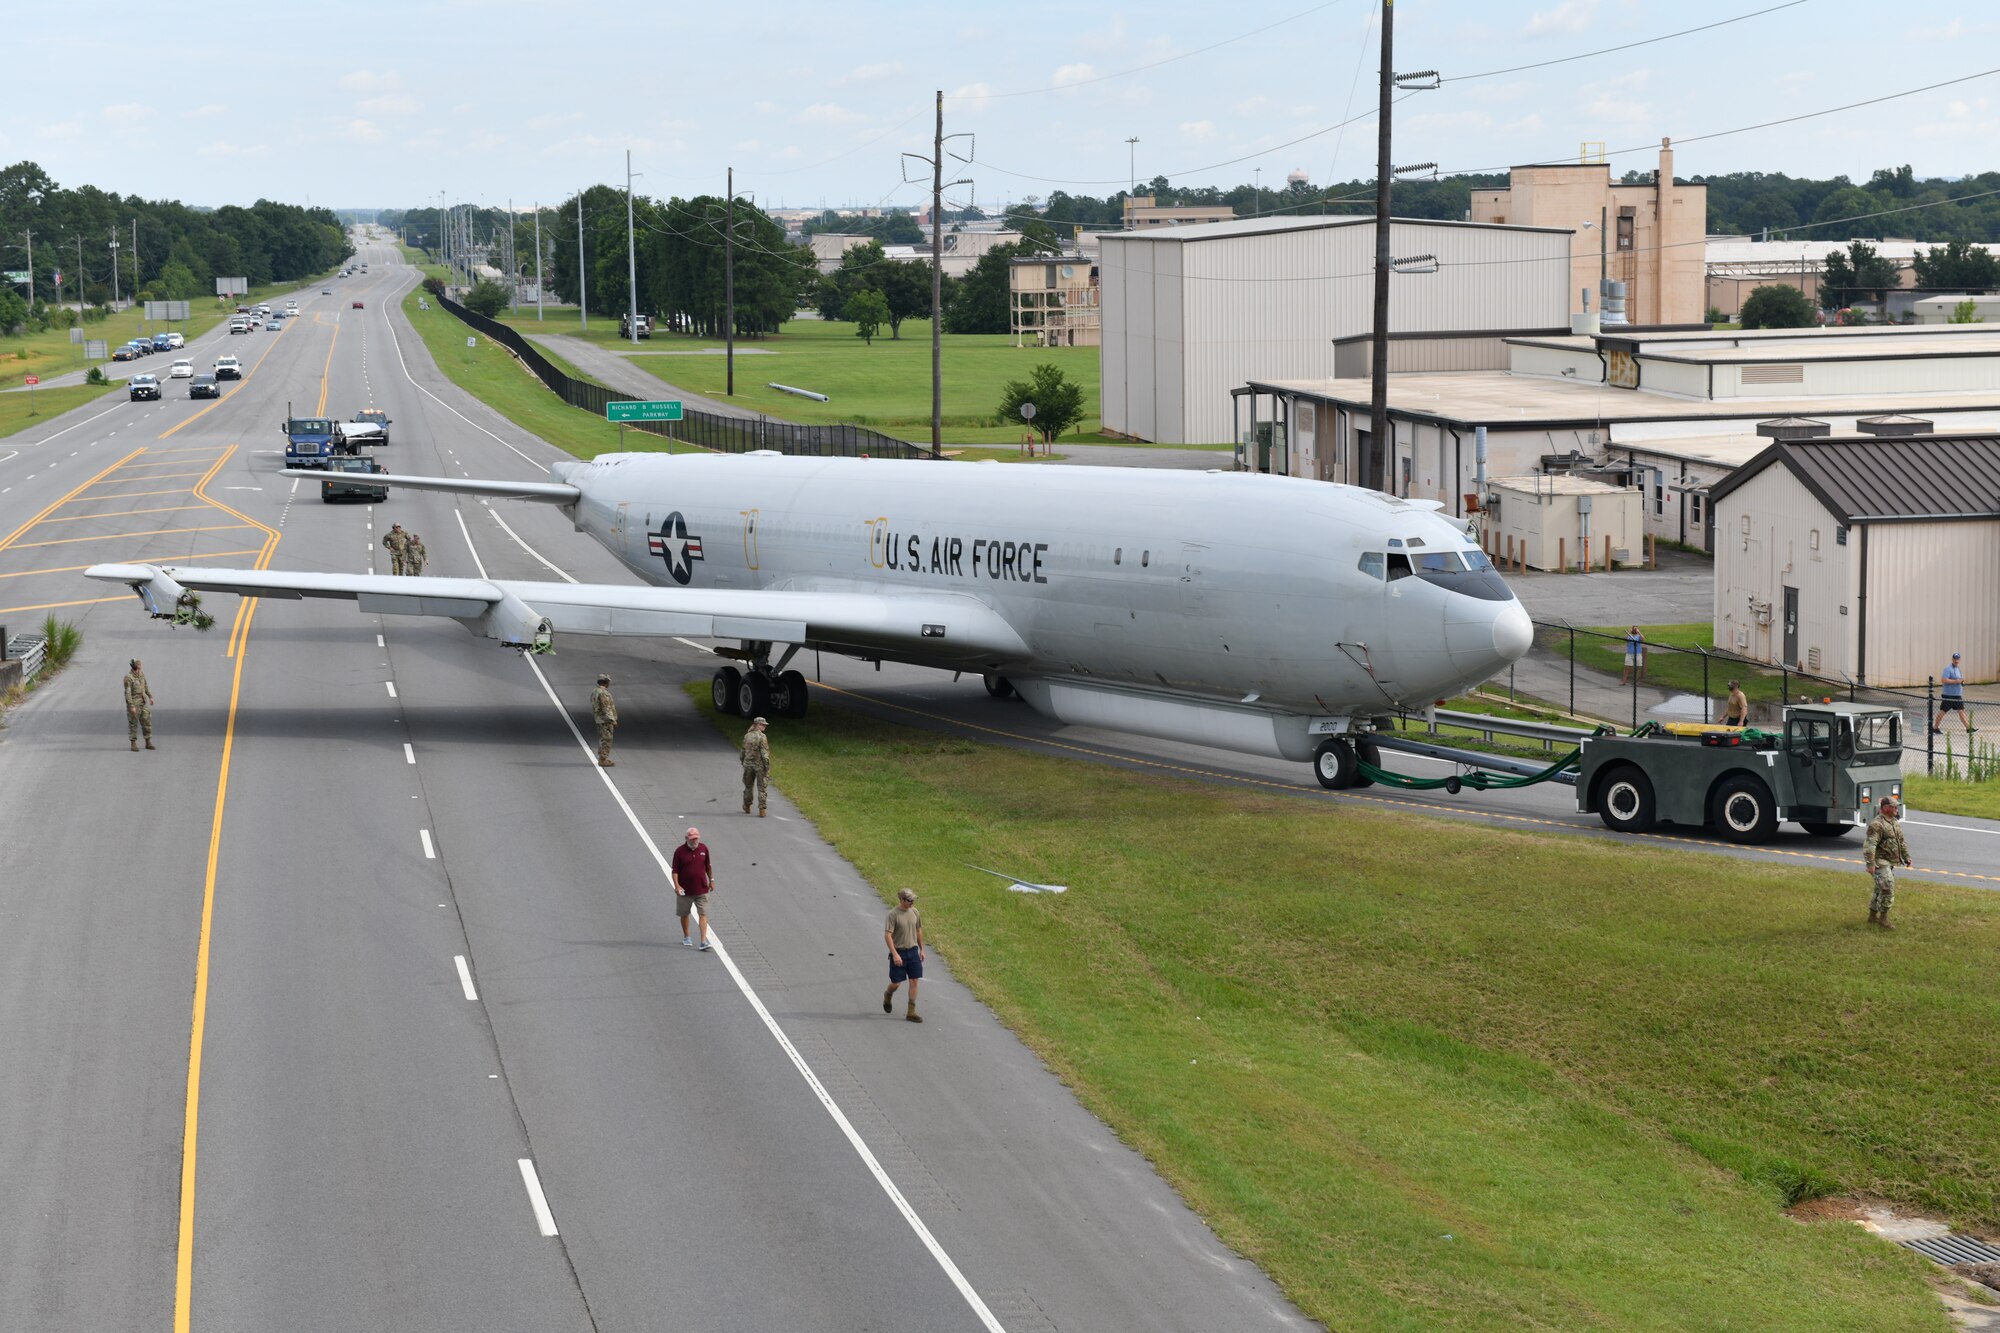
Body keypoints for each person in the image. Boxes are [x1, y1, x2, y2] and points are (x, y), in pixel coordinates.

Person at [1862, 796, 1912, 929]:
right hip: (1880, 862)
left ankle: (1872, 917)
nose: (1896, 808)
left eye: (1897, 806)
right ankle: (1883, 919)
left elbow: (1900, 841)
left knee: (1879, 888)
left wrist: (1906, 857)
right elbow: (1870, 845)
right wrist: (1870, 864)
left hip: (1890, 861)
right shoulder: (1877, 824)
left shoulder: (1894, 821)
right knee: (1887, 887)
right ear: (1885, 808)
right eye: (1893, 806)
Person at [882, 888, 925, 1022]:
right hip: (899, 952)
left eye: (913, 899)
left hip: (913, 951)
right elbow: (888, 935)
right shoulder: (893, 914)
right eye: (909, 900)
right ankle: (888, 994)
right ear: (901, 900)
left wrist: (922, 949)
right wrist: (895, 954)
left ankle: (911, 1012)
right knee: (896, 983)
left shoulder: (915, 912)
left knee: (914, 980)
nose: (912, 902)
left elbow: (918, 931)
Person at [671, 827, 714, 951]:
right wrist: (677, 885)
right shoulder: (679, 851)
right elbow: (675, 870)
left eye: (696, 839)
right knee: (684, 914)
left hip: (702, 889)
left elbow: (708, 867)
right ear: (686, 839)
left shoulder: (704, 848)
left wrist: (711, 880)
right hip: (685, 891)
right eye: (692, 839)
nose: (694, 841)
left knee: (703, 914)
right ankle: (687, 936)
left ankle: (703, 941)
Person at [1931, 652, 1977, 736]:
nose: (1956, 660)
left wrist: (1962, 682)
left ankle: (1968, 728)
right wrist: (1956, 681)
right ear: (1952, 659)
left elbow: (1960, 680)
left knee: (1961, 711)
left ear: (1959, 660)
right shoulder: (1948, 669)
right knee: (1943, 711)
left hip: (1957, 695)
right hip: (1949, 695)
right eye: (1955, 659)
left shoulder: (1958, 669)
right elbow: (1944, 680)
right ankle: (1935, 728)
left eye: (1957, 659)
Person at [740, 715, 771, 816]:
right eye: (763, 725)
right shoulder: (762, 737)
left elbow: (743, 751)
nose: (764, 727)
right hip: (760, 766)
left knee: (748, 786)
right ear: (757, 725)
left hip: (748, 765)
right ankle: (762, 810)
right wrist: (767, 766)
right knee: (762, 788)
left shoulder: (747, 735)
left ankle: (747, 806)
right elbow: (764, 753)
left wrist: (742, 761)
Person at [123, 658, 155, 752]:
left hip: (143, 702)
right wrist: (131, 706)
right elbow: (127, 693)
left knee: (147, 721)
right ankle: (133, 744)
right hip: (134, 703)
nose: (140, 665)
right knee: (133, 723)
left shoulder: (141, 674)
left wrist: (150, 696)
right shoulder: (128, 678)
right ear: (135, 665)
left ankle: (148, 742)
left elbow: (146, 686)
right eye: (139, 664)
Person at [591, 674, 617, 767]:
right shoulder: (603, 693)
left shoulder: (595, 691)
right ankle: (603, 759)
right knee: (607, 739)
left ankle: (602, 757)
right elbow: (606, 707)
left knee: (603, 738)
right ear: (605, 682)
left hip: (599, 719)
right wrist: (613, 720)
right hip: (605, 720)